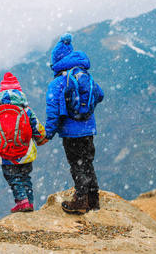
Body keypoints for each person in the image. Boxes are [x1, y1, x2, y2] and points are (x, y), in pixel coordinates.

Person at [44, 33, 104, 214]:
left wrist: (48, 133)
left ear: (56, 62)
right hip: (88, 129)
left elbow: (53, 113)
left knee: (77, 165)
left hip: (71, 133)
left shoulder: (57, 83)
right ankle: (93, 199)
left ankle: (80, 200)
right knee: (87, 163)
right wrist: (85, 108)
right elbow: (100, 95)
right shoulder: (84, 75)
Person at [0, 72, 47, 213]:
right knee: (25, 176)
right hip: (25, 152)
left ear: (1, 94)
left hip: (5, 153)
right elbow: (37, 128)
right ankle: (29, 202)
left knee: (13, 177)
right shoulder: (27, 111)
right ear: (19, 92)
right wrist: (41, 139)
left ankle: (22, 201)